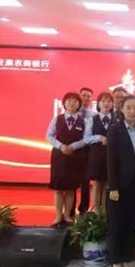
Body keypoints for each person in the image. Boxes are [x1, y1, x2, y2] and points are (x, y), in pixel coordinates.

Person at [106, 95, 135, 267]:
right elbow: (111, 160)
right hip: (118, 186)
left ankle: (126, 260)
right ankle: (116, 262)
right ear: (122, 109)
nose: (132, 111)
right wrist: (113, 186)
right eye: (128, 107)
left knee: (131, 225)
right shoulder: (114, 129)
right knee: (117, 224)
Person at [46, 92, 87, 226]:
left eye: (75, 101)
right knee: (58, 188)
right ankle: (58, 216)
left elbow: (85, 139)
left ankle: (68, 215)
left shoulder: (83, 121)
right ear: (63, 103)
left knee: (70, 188)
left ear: (79, 104)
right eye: (69, 101)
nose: (72, 103)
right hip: (59, 156)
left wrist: (73, 147)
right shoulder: (57, 119)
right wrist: (61, 146)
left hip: (75, 157)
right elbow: (49, 136)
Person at [84, 92, 114, 215]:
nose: (106, 104)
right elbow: (86, 138)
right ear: (98, 104)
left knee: (107, 183)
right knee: (97, 183)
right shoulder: (92, 119)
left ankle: (105, 210)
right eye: (103, 101)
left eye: (109, 101)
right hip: (97, 156)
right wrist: (99, 138)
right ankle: (96, 211)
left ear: (112, 104)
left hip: (111, 156)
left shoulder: (117, 120)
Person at [72, 87, 97, 216]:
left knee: (85, 182)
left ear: (91, 99)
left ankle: (84, 209)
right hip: (73, 152)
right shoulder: (72, 113)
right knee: (72, 181)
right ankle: (70, 210)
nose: (86, 98)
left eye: (88, 96)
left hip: (88, 151)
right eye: (83, 95)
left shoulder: (94, 115)